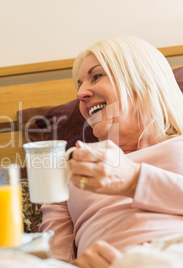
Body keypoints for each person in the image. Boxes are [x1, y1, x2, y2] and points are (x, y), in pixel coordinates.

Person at [39, 36, 183, 268]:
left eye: (96, 76)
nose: (80, 94)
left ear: (141, 79)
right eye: (79, 85)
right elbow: (55, 253)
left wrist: (135, 180)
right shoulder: (70, 168)